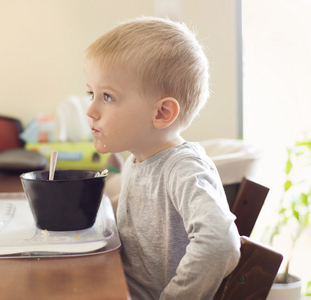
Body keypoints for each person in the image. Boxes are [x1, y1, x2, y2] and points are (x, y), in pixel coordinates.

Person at [84, 17, 241, 300]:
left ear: (162, 113)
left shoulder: (183, 168)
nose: (90, 110)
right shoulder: (139, 159)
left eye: (107, 96)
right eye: (91, 93)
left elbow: (219, 243)